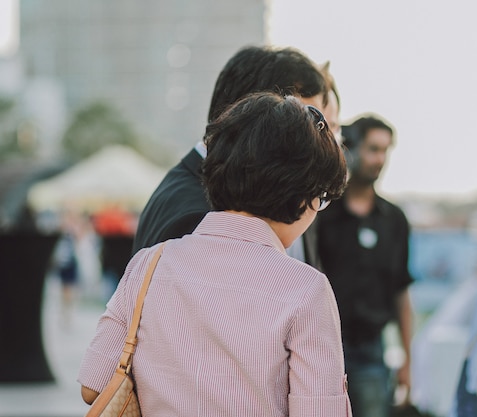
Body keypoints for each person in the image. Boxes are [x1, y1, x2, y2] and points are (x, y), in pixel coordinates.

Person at [79, 92, 351, 416]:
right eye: (320, 198)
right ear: (300, 196)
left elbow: (93, 385)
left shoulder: (148, 264)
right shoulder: (306, 290)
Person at [132, 45, 329, 269]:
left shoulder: (291, 197)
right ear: (254, 112)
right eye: (304, 121)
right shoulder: (198, 216)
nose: (315, 139)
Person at [317, 115, 414, 417]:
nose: (380, 159)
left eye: (385, 150)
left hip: (373, 349)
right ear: (350, 148)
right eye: (373, 149)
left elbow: (401, 293)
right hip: (324, 348)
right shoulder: (320, 215)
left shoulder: (394, 221)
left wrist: (409, 361)